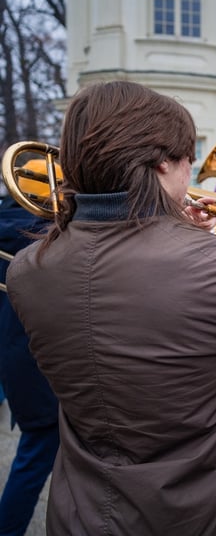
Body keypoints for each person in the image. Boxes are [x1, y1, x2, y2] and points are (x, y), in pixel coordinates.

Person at [4, 81, 216, 535]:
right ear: (162, 161)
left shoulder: (28, 268)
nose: (191, 172)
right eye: (189, 158)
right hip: (201, 515)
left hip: (84, 512)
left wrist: (177, 230)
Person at [0, 195, 59, 536]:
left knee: (34, 460)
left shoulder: (9, 222)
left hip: (21, 358)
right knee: (33, 462)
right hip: (39, 363)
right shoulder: (43, 228)